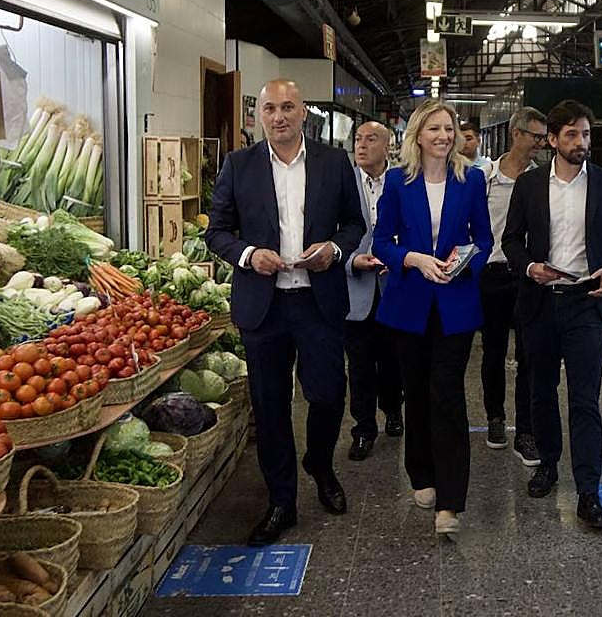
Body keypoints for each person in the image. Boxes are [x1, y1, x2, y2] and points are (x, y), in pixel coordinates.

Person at [205, 79, 365, 547]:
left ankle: (320, 462)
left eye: (289, 107)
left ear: (303, 113)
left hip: (318, 302)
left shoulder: (334, 163)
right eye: (271, 108)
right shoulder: (239, 165)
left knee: (328, 395)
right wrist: (249, 254)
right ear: (260, 115)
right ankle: (281, 500)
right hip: (265, 306)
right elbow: (217, 232)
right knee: (271, 407)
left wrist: (334, 249)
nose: (279, 116)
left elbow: (355, 223)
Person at [502, 99, 602, 530]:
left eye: (586, 134)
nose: (581, 142)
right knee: (541, 391)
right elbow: (511, 240)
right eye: (572, 134)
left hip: (586, 301)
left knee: (585, 399)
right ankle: (548, 464)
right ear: (553, 140)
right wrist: (529, 268)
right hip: (539, 302)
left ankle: (589, 491)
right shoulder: (530, 184)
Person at [372, 99, 493, 536]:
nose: (444, 136)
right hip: (409, 303)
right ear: (418, 136)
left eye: (449, 128)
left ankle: (450, 501)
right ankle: (420, 473)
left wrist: (462, 264)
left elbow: (484, 238)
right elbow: (382, 242)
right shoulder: (397, 181)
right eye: (435, 129)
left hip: (455, 303)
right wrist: (413, 259)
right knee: (417, 392)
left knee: (447, 393)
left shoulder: (471, 179)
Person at [477, 106, 546, 464]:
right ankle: (495, 417)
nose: (540, 144)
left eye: (543, 138)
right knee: (493, 351)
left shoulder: (541, 180)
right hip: (490, 275)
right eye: (535, 136)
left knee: (528, 355)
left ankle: (526, 430)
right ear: (516, 134)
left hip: (527, 276)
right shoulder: (485, 177)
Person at [343, 121, 404, 461]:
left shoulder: (403, 181)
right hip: (357, 290)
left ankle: (393, 409)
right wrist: (352, 261)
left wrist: (401, 257)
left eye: (371, 139)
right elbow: (330, 234)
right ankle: (364, 428)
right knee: (360, 365)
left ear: (388, 146)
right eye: (358, 139)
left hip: (395, 287)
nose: (362, 145)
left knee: (393, 361)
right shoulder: (343, 184)